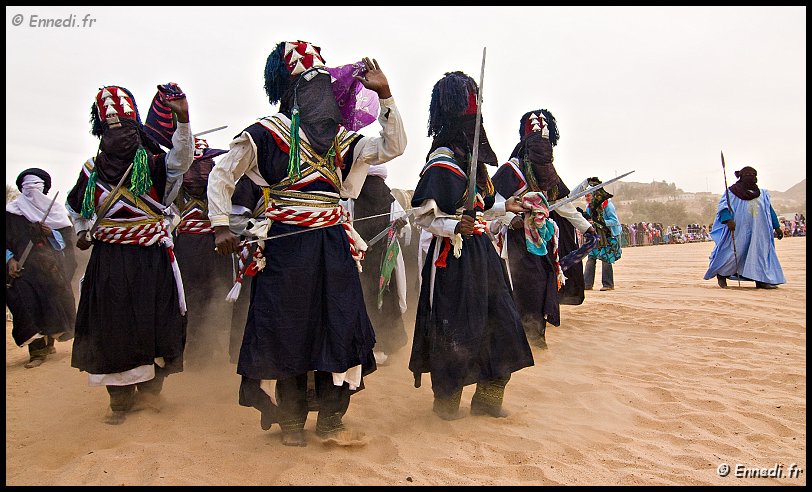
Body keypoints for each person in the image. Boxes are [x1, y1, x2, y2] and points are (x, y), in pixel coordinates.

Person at [207, 41, 406, 447]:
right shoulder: (266, 133)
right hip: (285, 247)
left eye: (323, 82)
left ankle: (332, 417)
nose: (320, 91)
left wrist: (385, 94)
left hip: (334, 246)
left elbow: (393, 147)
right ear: (291, 90)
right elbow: (222, 174)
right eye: (309, 83)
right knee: (289, 330)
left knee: (339, 325)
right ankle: (292, 421)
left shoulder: (342, 140)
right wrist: (220, 224)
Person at [408, 71, 534, 421]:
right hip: (452, 259)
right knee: (457, 329)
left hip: (483, 254)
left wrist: (505, 206)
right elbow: (424, 216)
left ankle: (488, 400)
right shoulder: (441, 160)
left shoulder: (473, 161)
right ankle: (447, 403)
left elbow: (481, 204)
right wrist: (452, 225)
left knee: (503, 323)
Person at [65, 84, 194, 424]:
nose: (119, 135)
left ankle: (151, 393)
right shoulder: (91, 170)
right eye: (111, 129)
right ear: (101, 133)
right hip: (109, 261)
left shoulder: (155, 165)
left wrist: (183, 120)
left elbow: (182, 160)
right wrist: (83, 230)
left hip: (151, 259)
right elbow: (75, 206)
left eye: (125, 127)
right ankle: (119, 401)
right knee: (113, 328)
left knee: (158, 323)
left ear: (136, 128)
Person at [491, 108, 596, 348]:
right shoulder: (512, 170)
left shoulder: (548, 172)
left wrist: (586, 228)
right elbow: (493, 203)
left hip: (543, 239)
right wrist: (510, 218)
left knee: (543, 283)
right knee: (522, 285)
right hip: (517, 240)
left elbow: (564, 205)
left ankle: (536, 334)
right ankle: (522, 336)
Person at [341, 163, 411, 366]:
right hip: (369, 259)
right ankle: (378, 346)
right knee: (378, 298)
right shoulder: (388, 198)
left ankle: (372, 347)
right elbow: (405, 233)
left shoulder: (351, 198)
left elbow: (343, 225)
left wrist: (397, 227)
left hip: (371, 258)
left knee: (371, 297)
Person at [171, 138, 233, 368]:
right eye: (194, 166)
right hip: (185, 249)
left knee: (215, 296)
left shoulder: (222, 189)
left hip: (215, 249)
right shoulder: (173, 192)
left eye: (204, 165)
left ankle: (207, 349)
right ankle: (185, 350)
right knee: (186, 299)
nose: (199, 173)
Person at [6, 168, 77, 368]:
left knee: (51, 304)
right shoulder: (11, 213)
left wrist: (51, 233)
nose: (32, 191)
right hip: (22, 269)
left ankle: (49, 341)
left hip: (50, 268)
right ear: (21, 188)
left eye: (36, 186)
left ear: (44, 189)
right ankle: (37, 351)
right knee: (28, 306)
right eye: (27, 187)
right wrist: (9, 260)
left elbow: (67, 243)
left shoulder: (55, 213)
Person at [704, 166, 785, 289]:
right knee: (734, 253)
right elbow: (723, 208)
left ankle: (761, 280)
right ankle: (722, 274)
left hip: (759, 231)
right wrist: (728, 220)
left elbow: (769, 210)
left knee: (759, 253)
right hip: (739, 230)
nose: (750, 177)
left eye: (752, 175)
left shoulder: (763, 194)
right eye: (747, 175)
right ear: (741, 177)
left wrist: (777, 227)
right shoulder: (731, 192)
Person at [580, 177, 622, 291]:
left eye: (588, 195)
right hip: (597, 236)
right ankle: (587, 284)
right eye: (585, 196)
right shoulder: (589, 207)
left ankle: (608, 284)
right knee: (591, 257)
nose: (586, 198)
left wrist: (598, 222)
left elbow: (614, 221)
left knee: (606, 258)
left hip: (609, 235)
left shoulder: (607, 205)